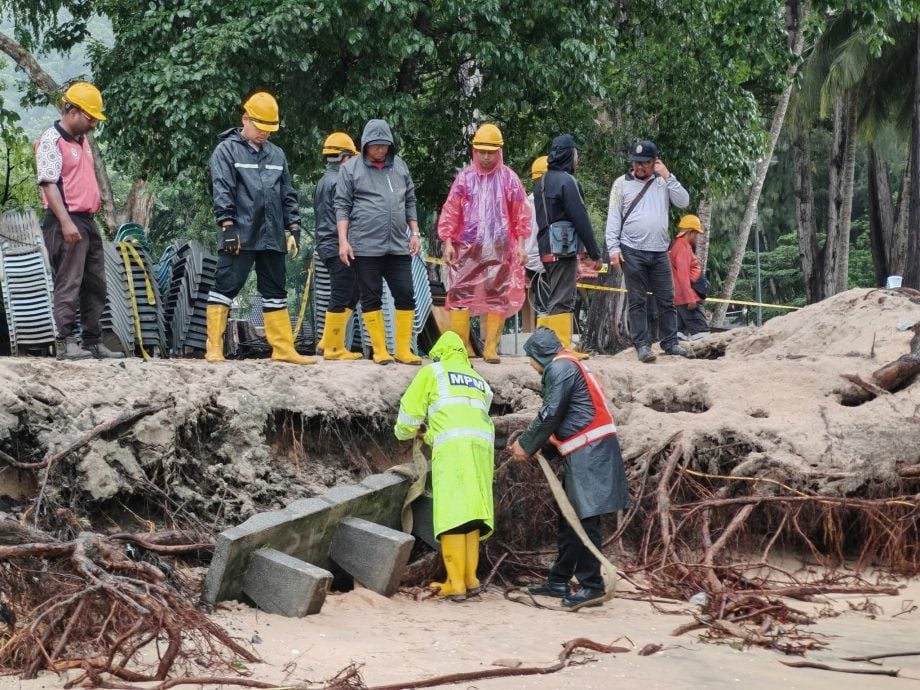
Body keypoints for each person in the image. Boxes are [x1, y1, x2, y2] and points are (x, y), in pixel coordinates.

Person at [509, 327, 628, 609]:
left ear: (540, 354)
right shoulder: (570, 365)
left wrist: (526, 444)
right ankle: (559, 579)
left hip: (590, 451)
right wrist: (544, 446)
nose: (530, 365)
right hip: (588, 448)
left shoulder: (559, 368)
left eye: (530, 358)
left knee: (585, 518)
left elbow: (550, 413)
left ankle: (592, 586)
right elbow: (568, 416)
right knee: (571, 517)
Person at [205, 91, 312, 364]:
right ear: (245, 119)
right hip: (241, 232)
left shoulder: (277, 155)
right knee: (225, 285)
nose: (265, 133)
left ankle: (283, 349)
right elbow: (223, 190)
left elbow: (288, 193)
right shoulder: (226, 151)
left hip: (272, 233)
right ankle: (214, 347)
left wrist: (294, 229)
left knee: (276, 291)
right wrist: (227, 226)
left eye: (269, 129)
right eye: (260, 127)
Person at [393, 331, 495, 599]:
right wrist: (429, 433)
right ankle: (471, 579)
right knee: (472, 513)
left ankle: (454, 583)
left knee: (451, 514)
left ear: (438, 353)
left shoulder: (433, 372)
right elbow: (463, 416)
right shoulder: (478, 379)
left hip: (453, 450)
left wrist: (406, 432)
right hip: (482, 449)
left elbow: (409, 414)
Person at [35, 82, 123, 360]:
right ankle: (65, 341)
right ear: (71, 110)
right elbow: (49, 184)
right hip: (65, 219)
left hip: (87, 219)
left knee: (95, 282)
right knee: (69, 281)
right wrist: (66, 222)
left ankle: (93, 340)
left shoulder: (83, 141)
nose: (94, 124)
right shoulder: (52, 140)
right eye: (90, 117)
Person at [438, 124, 530, 363]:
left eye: (491, 151)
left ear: (499, 151)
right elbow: (451, 211)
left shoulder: (509, 179)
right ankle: (462, 348)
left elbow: (521, 213)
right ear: (474, 151)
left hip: (499, 250)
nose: (486, 156)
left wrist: (520, 245)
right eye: (481, 151)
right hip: (467, 249)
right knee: (460, 296)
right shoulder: (464, 179)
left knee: (496, 296)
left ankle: (490, 348)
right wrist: (447, 242)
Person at [335, 119, 422, 366]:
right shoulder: (350, 169)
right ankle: (380, 349)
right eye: (375, 146)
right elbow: (341, 206)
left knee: (405, 293)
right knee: (371, 296)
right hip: (365, 246)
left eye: (384, 146)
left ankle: (403, 349)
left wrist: (414, 233)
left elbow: (410, 201)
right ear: (365, 146)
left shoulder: (400, 167)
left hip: (397, 245)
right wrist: (344, 241)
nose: (380, 150)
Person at [605, 139, 692, 363]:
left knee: (666, 299)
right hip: (632, 250)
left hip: (659, 250)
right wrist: (613, 248)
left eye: (645, 163)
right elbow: (613, 217)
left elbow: (683, 202)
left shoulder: (663, 183)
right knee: (637, 300)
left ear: (655, 162)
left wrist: (668, 176)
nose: (639, 167)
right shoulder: (620, 184)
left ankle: (670, 342)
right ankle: (642, 345)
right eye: (636, 162)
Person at [532, 135, 603, 360]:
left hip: (545, 246)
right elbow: (580, 219)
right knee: (563, 297)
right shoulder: (567, 182)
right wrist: (595, 252)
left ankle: (546, 347)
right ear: (568, 155)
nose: (577, 158)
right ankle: (561, 348)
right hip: (563, 248)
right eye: (575, 154)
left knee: (555, 296)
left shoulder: (541, 182)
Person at [313, 132, 362, 360]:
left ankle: (327, 341)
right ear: (344, 157)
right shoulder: (339, 182)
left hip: (327, 244)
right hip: (337, 244)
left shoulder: (324, 181)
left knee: (353, 291)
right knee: (342, 293)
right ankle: (334, 348)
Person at [669, 214, 710, 339]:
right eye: (696, 233)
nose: (697, 237)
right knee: (702, 333)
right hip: (690, 298)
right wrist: (690, 298)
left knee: (679, 334)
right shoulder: (683, 248)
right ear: (690, 232)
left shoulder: (678, 246)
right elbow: (683, 275)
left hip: (680, 297)